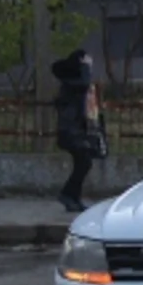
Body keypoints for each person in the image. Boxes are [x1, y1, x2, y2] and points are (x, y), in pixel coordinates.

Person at [51, 50, 99, 212]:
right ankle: (67, 194)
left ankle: (73, 198)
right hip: (70, 131)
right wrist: (86, 66)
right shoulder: (72, 85)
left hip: (74, 129)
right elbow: (85, 84)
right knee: (84, 162)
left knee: (83, 163)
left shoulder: (72, 84)